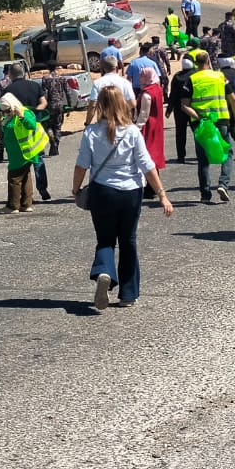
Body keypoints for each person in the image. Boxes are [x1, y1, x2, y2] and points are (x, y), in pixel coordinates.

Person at [74, 86, 175, 310]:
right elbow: (146, 165)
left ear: (100, 105)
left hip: (102, 191)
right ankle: (128, 293)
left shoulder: (91, 132)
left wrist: (76, 189)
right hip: (131, 192)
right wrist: (162, 195)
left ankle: (104, 272)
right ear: (122, 104)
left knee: (105, 239)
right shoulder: (131, 132)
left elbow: (82, 165)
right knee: (128, 240)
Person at [182, 52, 235, 203]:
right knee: (227, 152)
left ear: (196, 63)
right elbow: (233, 100)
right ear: (208, 60)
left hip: (201, 124)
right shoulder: (220, 77)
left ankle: (205, 194)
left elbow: (184, 105)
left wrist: (199, 117)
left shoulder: (191, 79)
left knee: (203, 158)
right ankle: (223, 184)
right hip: (221, 120)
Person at [0, 92, 48, 213]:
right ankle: (26, 204)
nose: (6, 113)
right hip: (17, 153)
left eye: (8, 110)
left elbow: (32, 125)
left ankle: (12, 206)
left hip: (22, 153)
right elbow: (9, 128)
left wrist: (21, 116)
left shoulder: (24, 112)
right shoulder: (10, 117)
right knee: (25, 177)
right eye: (4, 111)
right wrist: (0, 121)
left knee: (14, 178)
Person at [135, 66, 167, 197]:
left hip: (149, 128)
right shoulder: (157, 89)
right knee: (154, 155)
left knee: (148, 156)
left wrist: (137, 128)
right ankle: (153, 186)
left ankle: (151, 187)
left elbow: (144, 114)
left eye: (142, 75)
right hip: (157, 126)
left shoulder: (147, 94)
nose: (139, 78)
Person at [168, 57, 196, 163]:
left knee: (180, 132)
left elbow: (173, 94)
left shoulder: (177, 77)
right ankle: (201, 153)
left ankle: (181, 156)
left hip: (179, 109)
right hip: (193, 108)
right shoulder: (196, 75)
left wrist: (169, 109)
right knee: (197, 131)